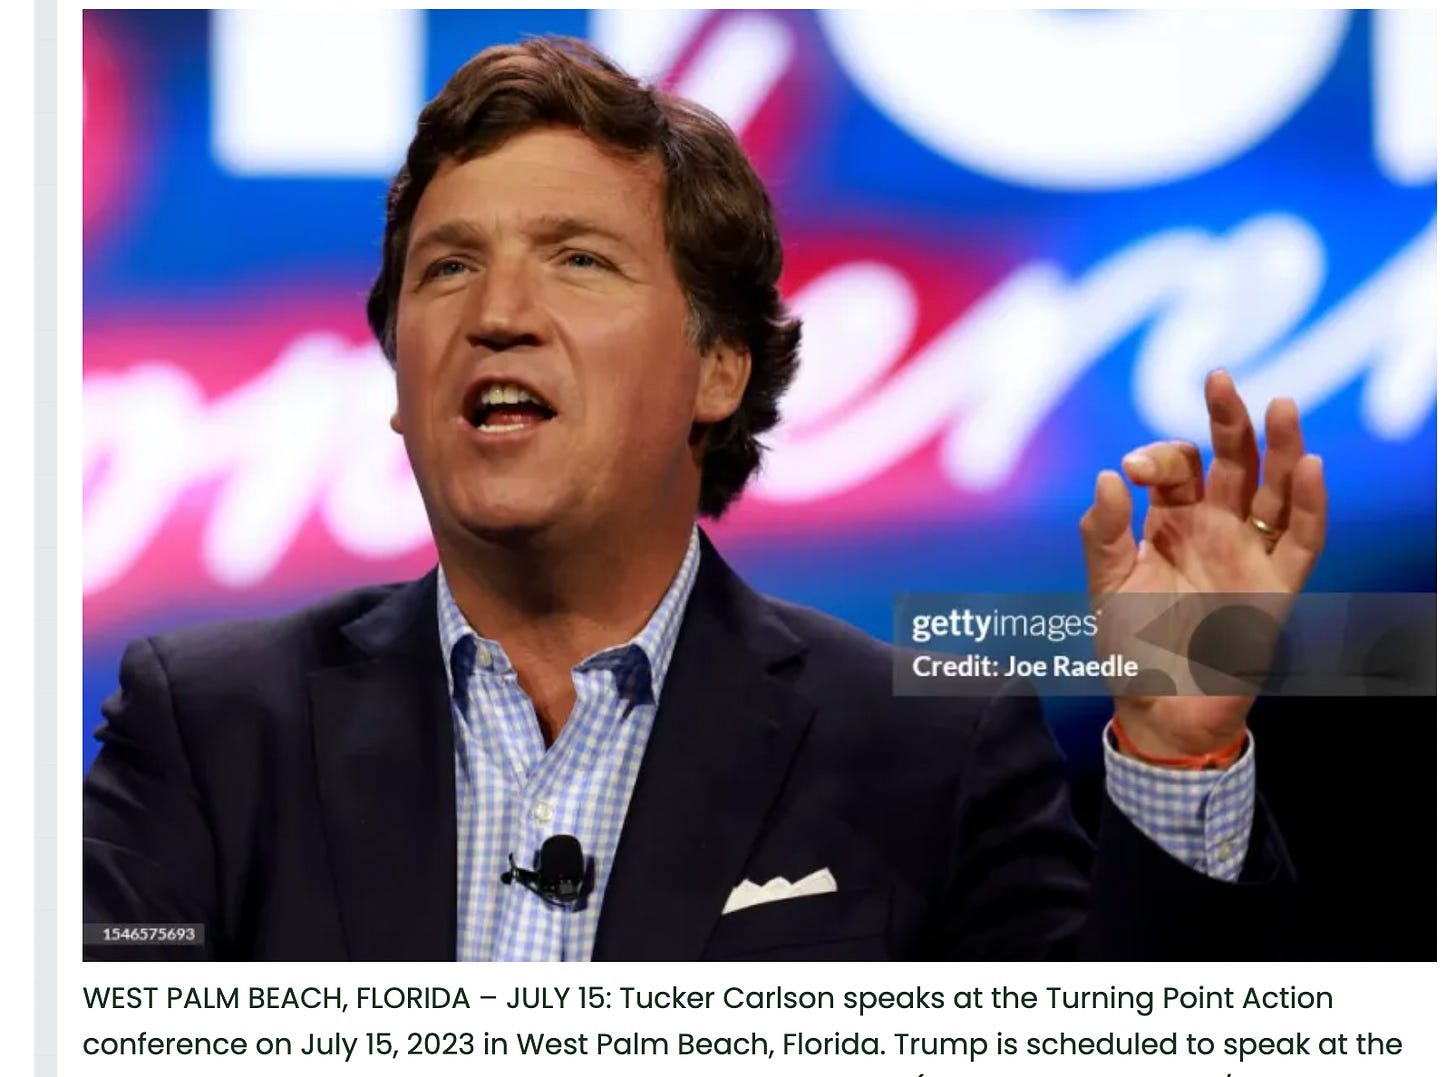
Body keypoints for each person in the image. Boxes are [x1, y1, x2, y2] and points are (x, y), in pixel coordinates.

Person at [82, 35, 1327, 961]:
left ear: (718, 369)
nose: (497, 314)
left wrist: (1178, 753)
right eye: (447, 268)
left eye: (579, 260)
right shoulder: (210, 727)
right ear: (398, 381)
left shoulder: (928, 751)